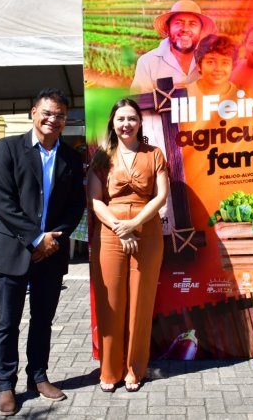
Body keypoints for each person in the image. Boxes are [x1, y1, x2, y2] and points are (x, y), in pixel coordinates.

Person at [0, 88, 85, 415]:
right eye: (47, 113)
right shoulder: (8, 148)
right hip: (14, 250)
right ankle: (6, 384)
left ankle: (38, 376)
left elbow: (76, 206)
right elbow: (2, 201)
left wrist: (54, 240)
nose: (52, 120)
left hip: (51, 254)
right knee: (8, 322)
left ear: (65, 120)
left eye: (59, 115)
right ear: (33, 113)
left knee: (43, 319)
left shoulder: (72, 157)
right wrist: (34, 239)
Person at [88, 98, 168, 393]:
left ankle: (135, 370)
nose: (126, 124)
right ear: (112, 123)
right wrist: (120, 229)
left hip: (147, 235)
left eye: (132, 118)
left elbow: (160, 197)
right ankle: (109, 371)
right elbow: (96, 200)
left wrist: (134, 225)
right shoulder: (102, 156)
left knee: (140, 305)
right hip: (110, 236)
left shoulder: (155, 154)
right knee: (110, 306)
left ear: (139, 122)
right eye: (121, 119)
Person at [131, 0, 216, 94]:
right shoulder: (147, 62)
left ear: (200, 30)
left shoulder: (212, 60)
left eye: (193, 24)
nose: (185, 29)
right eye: (178, 23)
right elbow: (138, 103)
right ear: (168, 28)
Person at [185, 34, 239, 99]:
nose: (218, 68)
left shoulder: (241, 99)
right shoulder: (184, 95)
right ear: (199, 65)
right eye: (211, 62)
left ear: (232, 66)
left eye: (225, 62)